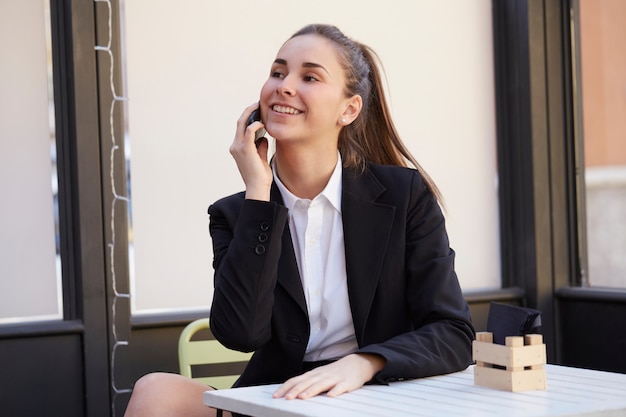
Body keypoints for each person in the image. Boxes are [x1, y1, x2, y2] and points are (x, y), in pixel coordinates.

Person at [124, 23, 475, 417]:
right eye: (278, 72)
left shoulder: (404, 196)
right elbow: (241, 334)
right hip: (279, 400)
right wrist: (259, 195)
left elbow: (453, 332)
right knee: (154, 391)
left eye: (309, 77)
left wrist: (365, 362)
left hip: (373, 398)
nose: (285, 86)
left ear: (349, 109)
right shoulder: (236, 212)